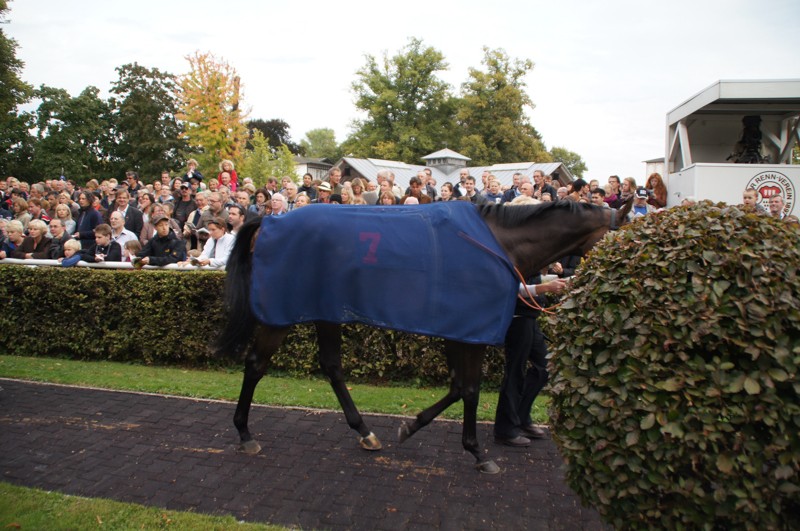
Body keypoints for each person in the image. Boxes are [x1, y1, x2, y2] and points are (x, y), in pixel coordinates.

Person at [494, 275, 567, 447]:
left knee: (545, 366)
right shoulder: (515, 260)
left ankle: (520, 417)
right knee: (515, 372)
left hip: (529, 318)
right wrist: (546, 287)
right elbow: (512, 288)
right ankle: (505, 429)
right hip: (517, 319)